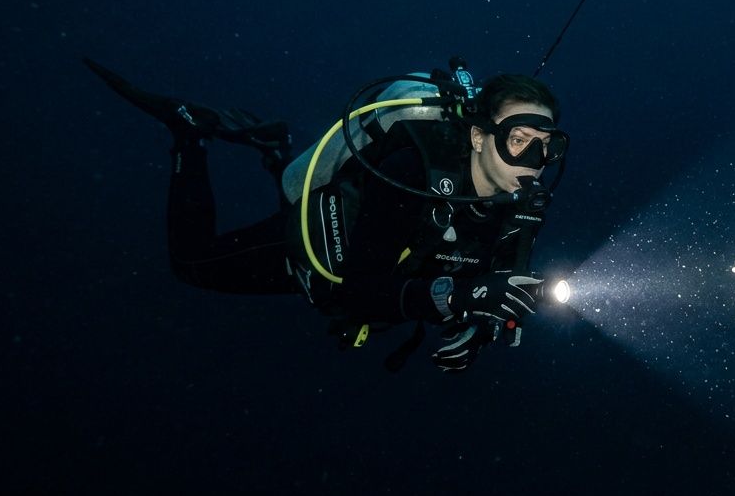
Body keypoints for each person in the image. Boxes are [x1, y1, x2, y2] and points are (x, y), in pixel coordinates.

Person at [85, 57, 567, 371]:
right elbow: (359, 290)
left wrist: (478, 324)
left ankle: (274, 147)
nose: (533, 164)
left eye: (546, 148)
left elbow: (496, 279)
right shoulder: (413, 170)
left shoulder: (518, 200)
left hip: (380, 260)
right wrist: (458, 295)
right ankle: (190, 132)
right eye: (519, 141)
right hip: (320, 244)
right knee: (191, 264)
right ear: (480, 136)